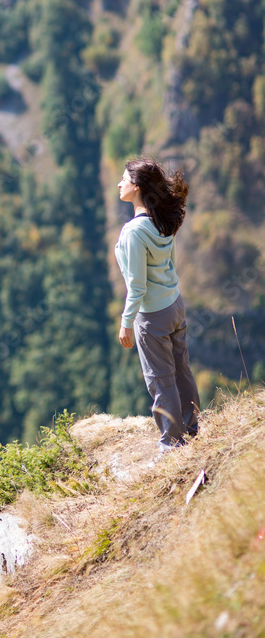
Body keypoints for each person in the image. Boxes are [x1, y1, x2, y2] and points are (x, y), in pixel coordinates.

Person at [115, 156, 200, 453]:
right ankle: (191, 427)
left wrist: (127, 322)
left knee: (160, 379)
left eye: (124, 179)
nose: (119, 184)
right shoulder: (161, 220)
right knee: (182, 370)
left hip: (152, 315)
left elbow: (136, 285)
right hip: (175, 303)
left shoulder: (134, 232)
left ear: (136, 187)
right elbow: (170, 264)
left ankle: (171, 444)